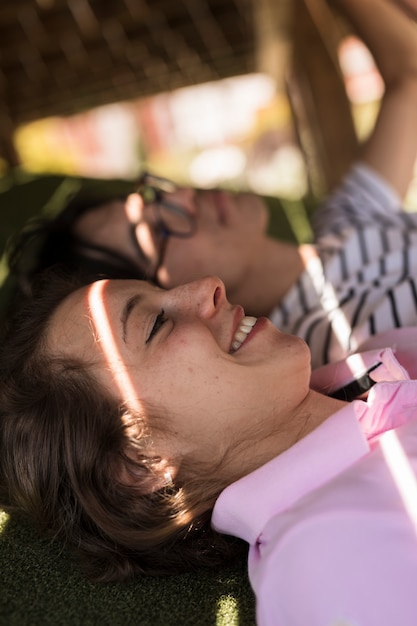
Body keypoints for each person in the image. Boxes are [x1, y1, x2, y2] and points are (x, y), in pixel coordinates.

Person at [6, 0, 417, 369]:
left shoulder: (342, 221)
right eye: (158, 229)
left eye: (155, 195)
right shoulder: (336, 344)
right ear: (169, 301)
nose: (184, 195)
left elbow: (409, 77)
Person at [2, 263, 417, 624]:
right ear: (139, 463)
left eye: (162, 292)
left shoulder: (383, 355)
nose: (208, 285)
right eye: (156, 325)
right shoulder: (328, 564)